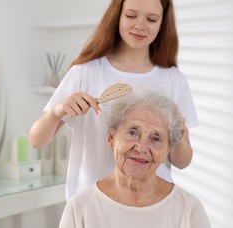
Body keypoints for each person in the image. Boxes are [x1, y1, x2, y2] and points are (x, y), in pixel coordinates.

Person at [29, 0, 198, 200]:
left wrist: (178, 132)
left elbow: (182, 161)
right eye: (131, 15)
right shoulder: (86, 72)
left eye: (151, 19)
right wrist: (58, 111)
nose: (140, 26)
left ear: (162, 24)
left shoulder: (173, 80)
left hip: (152, 207)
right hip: (92, 204)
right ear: (117, 15)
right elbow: (36, 140)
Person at [59, 89, 210, 228]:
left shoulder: (189, 209)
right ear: (111, 139)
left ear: (166, 152)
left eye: (156, 138)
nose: (141, 147)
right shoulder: (80, 207)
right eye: (132, 133)